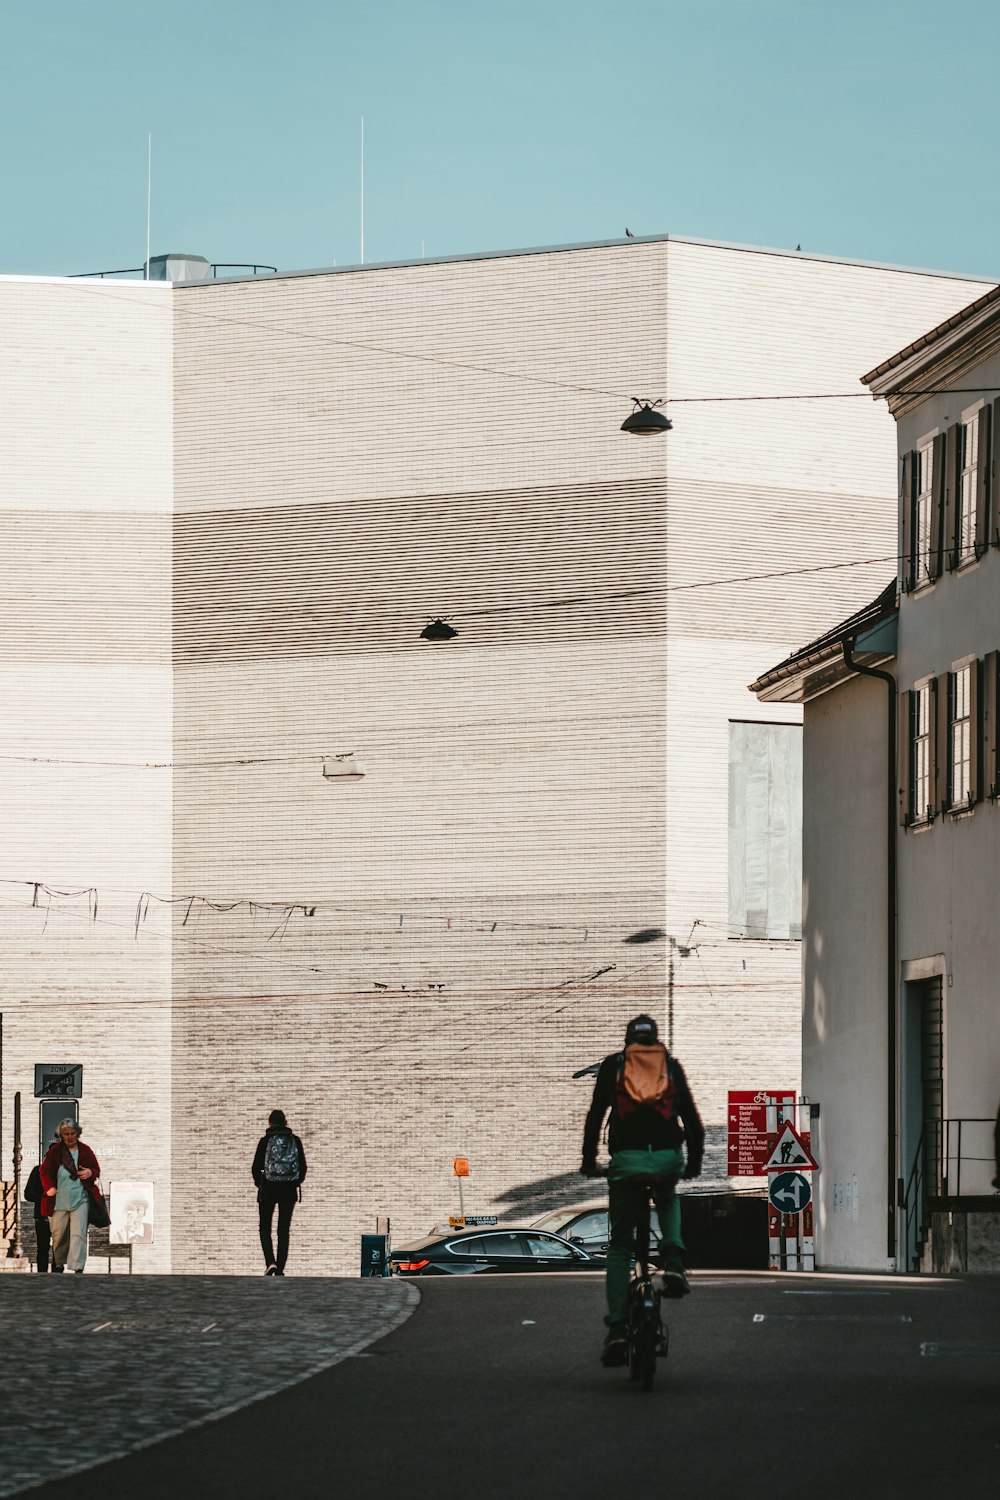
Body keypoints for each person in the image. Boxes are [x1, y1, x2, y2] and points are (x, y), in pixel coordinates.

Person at [582, 1013, 704, 1366]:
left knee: (620, 1247)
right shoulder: (671, 1066)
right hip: (666, 1158)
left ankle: (618, 1328)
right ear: (656, 1040)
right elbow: (694, 1123)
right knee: (667, 1196)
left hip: (627, 1161)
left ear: (627, 1040)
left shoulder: (614, 1066)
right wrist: (692, 1165)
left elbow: (595, 1115)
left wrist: (589, 1160)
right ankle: (675, 1260)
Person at [39, 1118, 102, 1274]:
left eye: (72, 1133)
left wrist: (89, 1172)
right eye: (66, 1134)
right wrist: (49, 1188)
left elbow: (96, 1169)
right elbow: (44, 1170)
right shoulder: (55, 1152)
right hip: (58, 1199)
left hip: (81, 1198)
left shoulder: (85, 1150)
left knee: (78, 1233)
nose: (69, 1137)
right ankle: (59, 1263)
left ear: (78, 1134)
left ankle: (78, 1266)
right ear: (61, 1135)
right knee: (58, 1234)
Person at [252, 1110, 307, 1276]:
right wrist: (295, 1182)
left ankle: (270, 1262)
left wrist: (260, 1183)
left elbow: (255, 1167)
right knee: (283, 1229)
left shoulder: (265, 1141)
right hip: (289, 1190)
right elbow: (303, 1167)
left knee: (265, 1228)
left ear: (270, 1123)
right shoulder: (295, 1141)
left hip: (268, 1188)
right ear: (285, 1122)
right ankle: (280, 1268)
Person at [23, 1163, 52, 1273]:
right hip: (42, 1216)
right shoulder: (38, 1171)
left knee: (59, 1249)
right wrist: (44, 1195)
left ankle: (57, 1274)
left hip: (60, 1216)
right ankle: (42, 1275)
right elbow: (28, 1194)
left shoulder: (65, 1172)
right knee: (43, 1248)